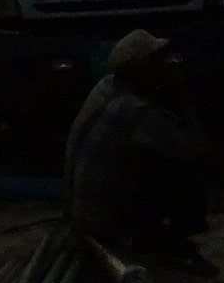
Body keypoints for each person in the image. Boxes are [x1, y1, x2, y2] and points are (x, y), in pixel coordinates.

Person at [64, 30, 210, 264]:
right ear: (144, 70)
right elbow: (194, 147)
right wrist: (182, 92)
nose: (165, 66)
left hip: (78, 210)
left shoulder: (105, 87)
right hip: (100, 222)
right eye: (158, 61)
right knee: (189, 167)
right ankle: (161, 239)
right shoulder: (134, 111)